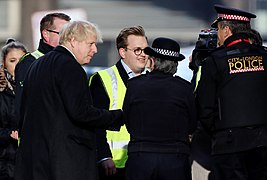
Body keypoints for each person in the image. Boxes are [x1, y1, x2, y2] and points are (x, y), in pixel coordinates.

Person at [14, 21, 123, 180]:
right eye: (91, 43)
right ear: (73, 41)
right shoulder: (70, 67)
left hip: (36, 163)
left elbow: (23, 112)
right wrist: (117, 116)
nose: (95, 50)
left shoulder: (36, 66)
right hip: (65, 163)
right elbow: (80, 112)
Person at [196, 4, 267, 180]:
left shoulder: (216, 60)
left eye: (218, 30)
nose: (217, 36)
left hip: (229, 146)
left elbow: (204, 107)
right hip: (263, 144)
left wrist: (218, 132)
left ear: (226, 30)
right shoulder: (264, 56)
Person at [123, 37, 197, 180]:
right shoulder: (184, 88)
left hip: (141, 158)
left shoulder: (134, 85)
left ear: (153, 61)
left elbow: (128, 120)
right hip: (175, 160)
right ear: (175, 64)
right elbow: (192, 125)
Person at [89, 25, 148, 180]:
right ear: (122, 52)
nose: (143, 55)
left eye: (145, 50)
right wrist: (103, 156)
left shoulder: (153, 79)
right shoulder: (103, 79)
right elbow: (95, 124)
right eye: (137, 50)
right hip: (113, 166)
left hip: (145, 163)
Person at [15, 12, 71, 133]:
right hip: (38, 138)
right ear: (46, 34)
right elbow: (24, 106)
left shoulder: (70, 63)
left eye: (70, 34)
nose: (68, 38)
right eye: (62, 33)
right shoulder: (29, 62)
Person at [0, 38, 27, 180]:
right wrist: (9, 134)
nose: (18, 65)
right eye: (12, 60)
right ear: (4, 64)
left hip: (29, 163)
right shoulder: (1, 92)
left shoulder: (36, 90)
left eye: (21, 59)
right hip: (5, 165)